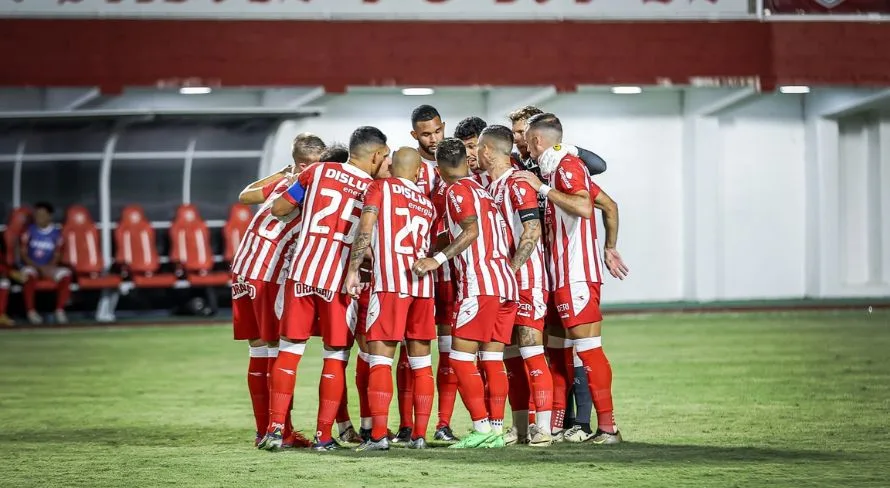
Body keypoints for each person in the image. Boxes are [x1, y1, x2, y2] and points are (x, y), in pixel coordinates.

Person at [262, 126, 389, 451]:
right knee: (335, 357)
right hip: (338, 281)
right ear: (375, 155)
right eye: (384, 156)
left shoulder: (317, 171)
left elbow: (279, 209)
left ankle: (275, 430)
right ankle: (323, 436)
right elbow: (366, 237)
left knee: (289, 352)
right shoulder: (373, 188)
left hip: (301, 272)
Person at [515, 113, 629, 444]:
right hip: (562, 276)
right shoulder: (557, 168)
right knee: (566, 352)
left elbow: (583, 207)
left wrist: (541, 189)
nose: (524, 145)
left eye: (525, 139)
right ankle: (567, 426)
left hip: (575, 276)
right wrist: (609, 247)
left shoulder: (566, 165)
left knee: (589, 349)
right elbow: (609, 205)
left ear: (536, 141)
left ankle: (608, 429)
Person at [412, 138, 518, 449]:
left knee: (459, 359)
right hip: (505, 282)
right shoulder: (481, 190)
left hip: (480, 284)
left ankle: (481, 427)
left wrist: (437, 259)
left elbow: (470, 231)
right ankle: (496, 431)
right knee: (493, 360)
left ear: (439, 166)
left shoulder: (456, 191)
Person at [233, 133, 325, 449]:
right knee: (276, 352)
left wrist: (284, 174)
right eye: (317, 164)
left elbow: (245, 195)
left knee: (258, 350)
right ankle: (279, 431)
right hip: (267, 272)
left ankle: (265, 431)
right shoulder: (309, 188)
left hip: (243, 268)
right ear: (303, 165)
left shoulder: (288, 183)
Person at [345, 147, 437, 451]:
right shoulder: (426, 203)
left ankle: (379, 436)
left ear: (392, 166)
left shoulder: (380, 188)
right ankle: (420, 435)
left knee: (380, 360)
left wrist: (352, 271)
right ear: (419, 172)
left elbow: (365, 230)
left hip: (390, 287)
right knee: (422, 364)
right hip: (423, 289)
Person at [479, 125, 555, 447]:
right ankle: (521, 427)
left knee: (531, 349)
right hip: (506, 284)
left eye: (477, 149)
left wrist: (509, 271)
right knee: (510, 355)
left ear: (486, 151)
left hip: (526, 280)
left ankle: (545, 428)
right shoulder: (492, 186)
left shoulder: (517, 183)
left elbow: (532, 230)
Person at [409, 104, 459, 443]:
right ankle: (406, 425)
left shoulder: (457, 164)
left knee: (450, 349)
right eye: (426, 134)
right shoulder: (408, 168)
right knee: (409, 352)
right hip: (416, 273)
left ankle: (443, 423)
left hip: (451, 271)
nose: (433, 138)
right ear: (415, 135)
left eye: (437, 131)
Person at [19, 202, 71, 325]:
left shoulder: (57, 233)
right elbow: (23, 253)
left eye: (42, 215)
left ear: (49, 216)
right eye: (37, 215)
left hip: (50, 267)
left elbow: (58, 254)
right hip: (32, 265)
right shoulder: (28, 231)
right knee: (28, 276)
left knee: (66, 275)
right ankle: (31, 312)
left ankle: (59, 311)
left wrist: (48, 267)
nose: (39, 218)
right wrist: (37, 267)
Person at [454, 116, 494, 187]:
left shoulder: (513, 164)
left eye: (471, 146)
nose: (466, 154)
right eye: (462, 148)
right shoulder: (457, 181)